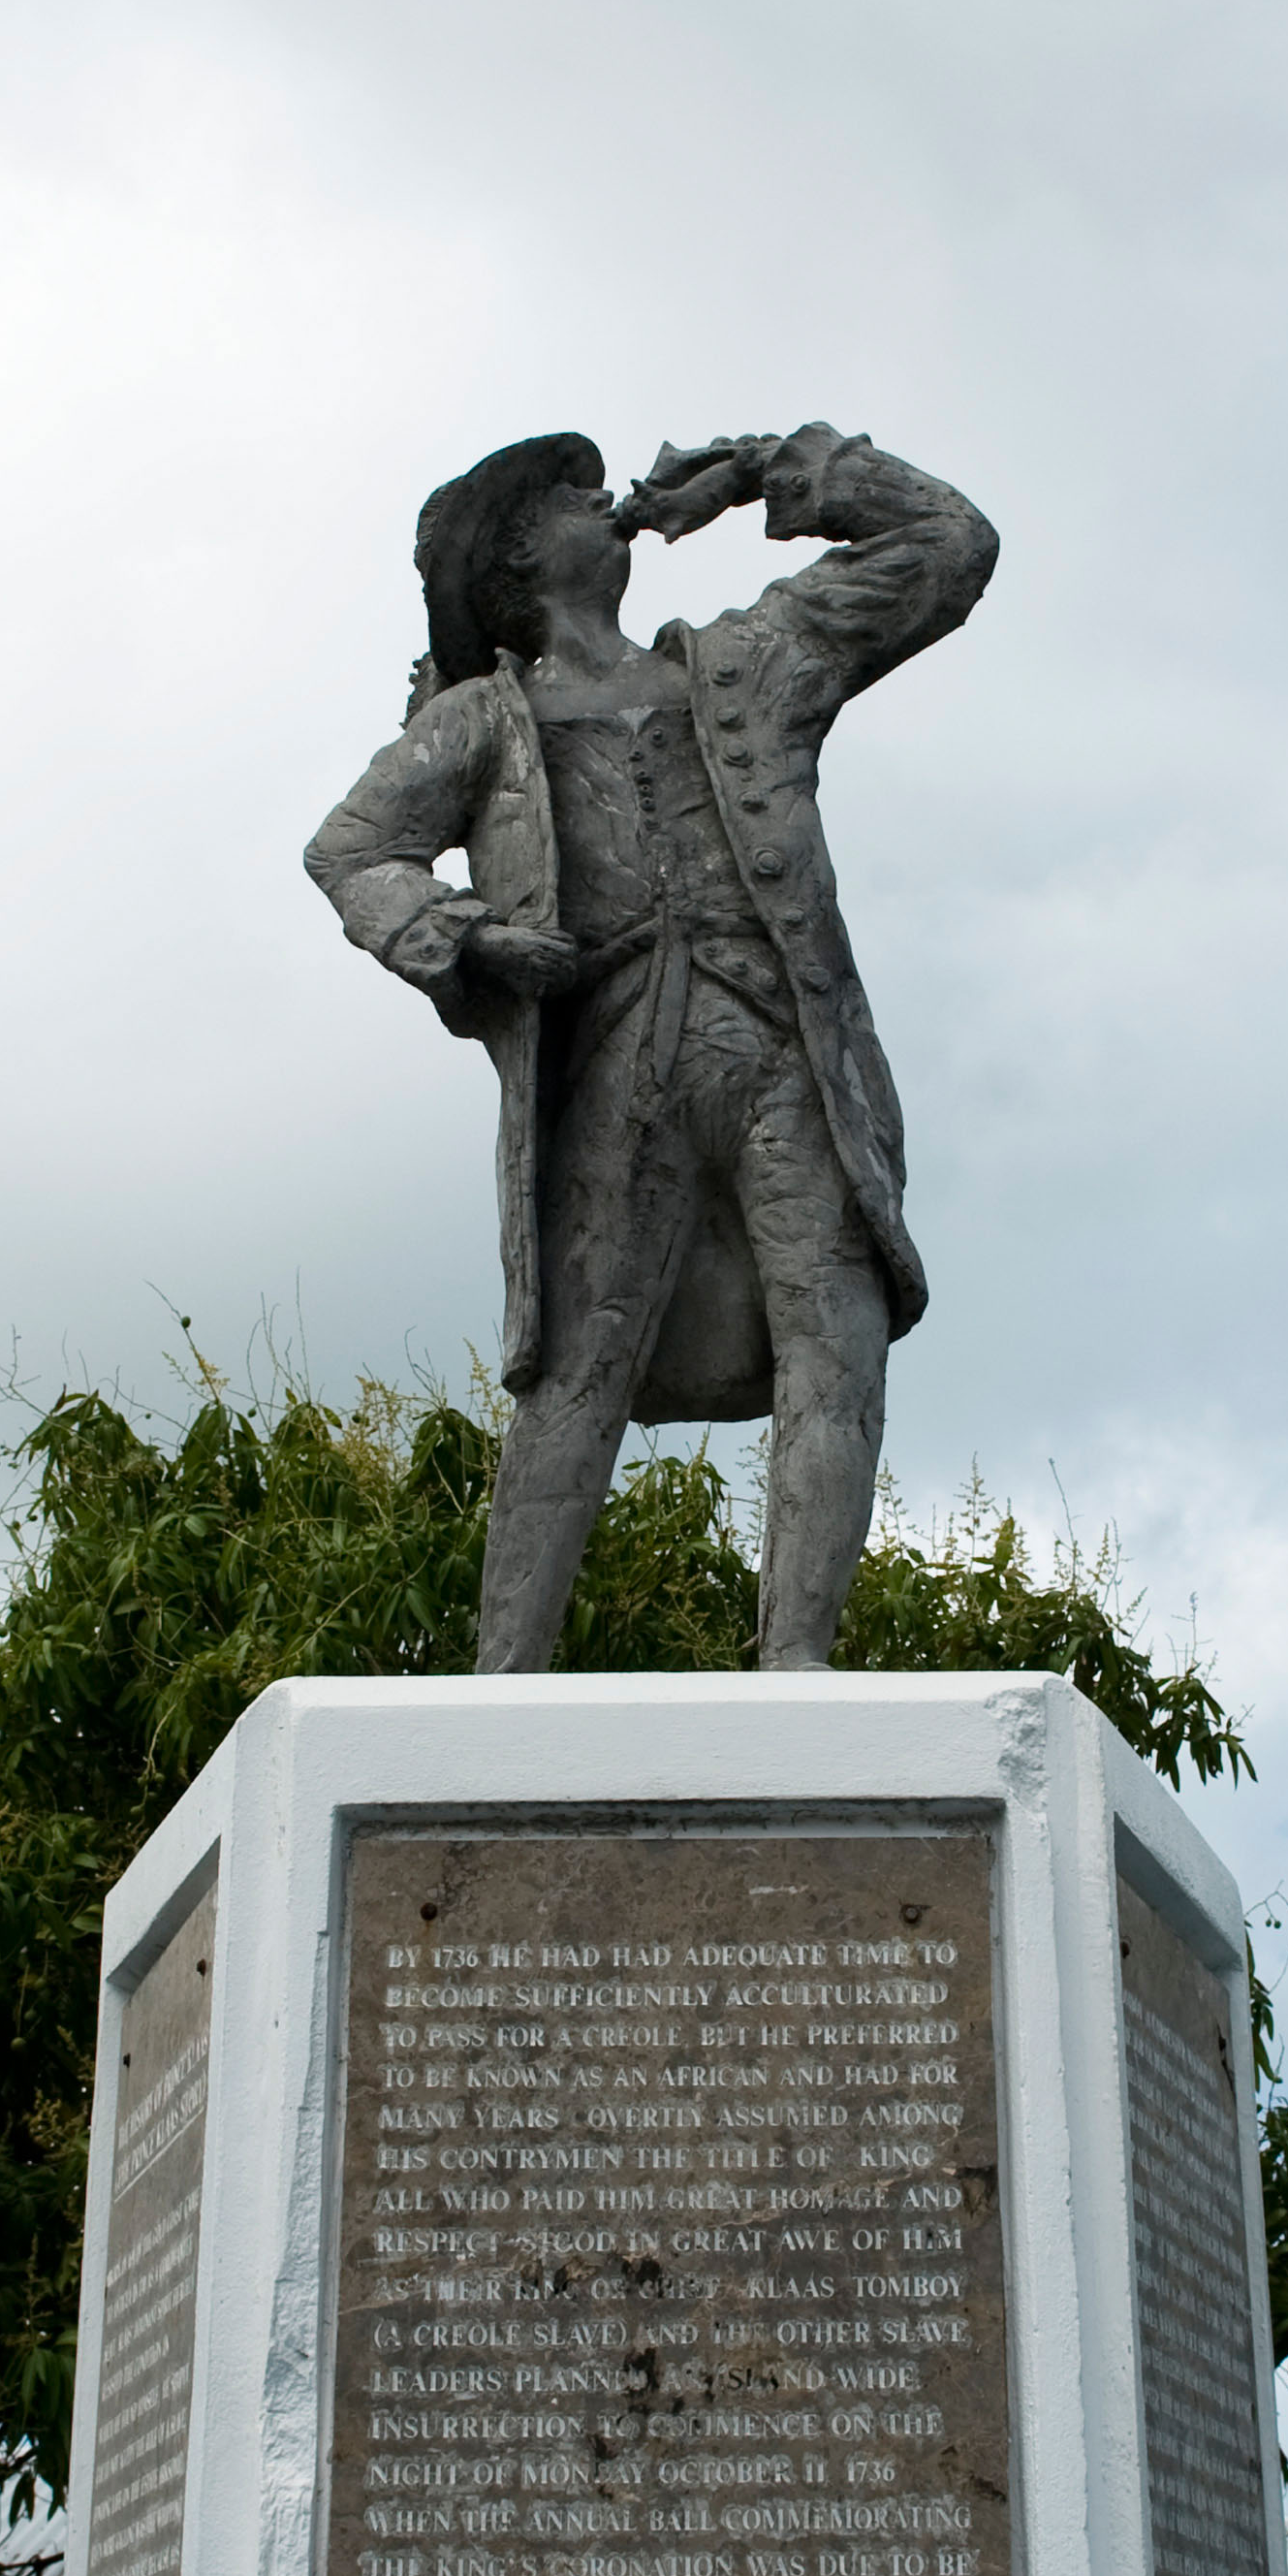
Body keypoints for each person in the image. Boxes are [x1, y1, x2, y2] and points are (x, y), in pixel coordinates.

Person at [306, 424, 995, 1671]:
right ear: (522, 555)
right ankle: (502, 1680)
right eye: (578, 497)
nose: (609, 502)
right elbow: (352, 850)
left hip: (781, 1048)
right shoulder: (482, 722)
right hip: (616, 1060)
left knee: (831, 1333)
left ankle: (795, 1660)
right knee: (575, 1373)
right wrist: (469, 938)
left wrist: (762, 470)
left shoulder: (749, 662)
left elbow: (946, 542)